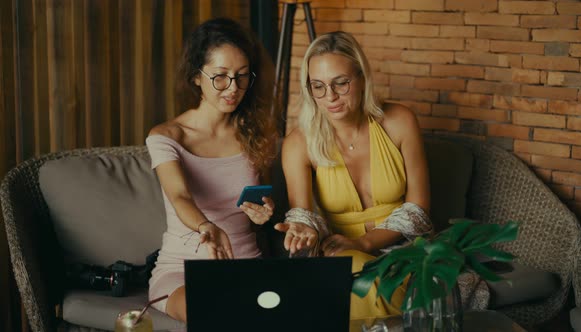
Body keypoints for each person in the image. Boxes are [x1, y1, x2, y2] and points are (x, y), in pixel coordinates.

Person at [275, 31, 433, 320]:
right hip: (341, 250)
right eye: (318, 87)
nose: (330, 97)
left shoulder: (400, 121)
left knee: (373, 283)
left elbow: (419, 209)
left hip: (404, 244)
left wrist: (365, 242)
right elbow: (302, 213)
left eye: (341, 83)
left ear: (362, 78)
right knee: (368, 282)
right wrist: (303, 229)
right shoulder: (298, 143)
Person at [146, 18, 277, 322]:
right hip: (183, 269)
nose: (233, 88)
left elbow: (255, 208)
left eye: (242, 76)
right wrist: (207, 227)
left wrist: (263, 213)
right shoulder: (167, 136)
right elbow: (180, 196)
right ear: (196, 77)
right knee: (216, 312)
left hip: (248, 264)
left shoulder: (254, 133)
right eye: (220, 77)